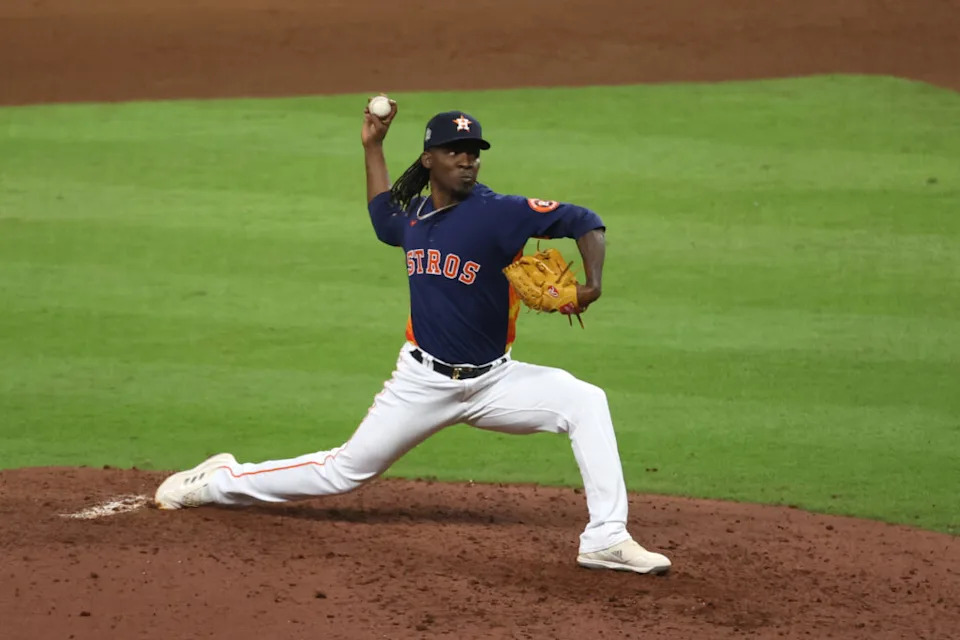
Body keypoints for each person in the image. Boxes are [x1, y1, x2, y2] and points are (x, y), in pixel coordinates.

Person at [155, 98, 672, 575]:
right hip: (421, 384)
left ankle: (605, 536)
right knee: (341, 473)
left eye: (474, 152)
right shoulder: (415, 218)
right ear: (429, 159)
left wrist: (593, 284)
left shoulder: (499, 212)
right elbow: (381, 213)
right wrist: (373, 145)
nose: (468, 161)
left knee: (586, 402)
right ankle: (220, 480)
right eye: (455, 152)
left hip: (497, 382)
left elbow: (585, 219)